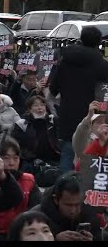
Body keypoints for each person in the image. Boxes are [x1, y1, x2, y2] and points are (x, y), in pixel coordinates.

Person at [49, 26, 108, 174]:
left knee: (68, 155)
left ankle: (64, 191)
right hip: (94, 117)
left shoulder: (64, 61)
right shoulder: (103, 65)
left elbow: (53, 88)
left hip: (67, 115)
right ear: (99, 43)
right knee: (93, 156)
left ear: (81, 40)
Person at [0, 137, 42, 239]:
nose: (11, 163)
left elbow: (37, 211)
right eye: (6, 158)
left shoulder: (28, 180)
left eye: (16, 158)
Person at [31, 171, 103, 241]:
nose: (73, 210)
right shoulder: (37, 218)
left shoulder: (91, 213)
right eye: (68, 205)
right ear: (56, 199)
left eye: (78, 204)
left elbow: (98, 236)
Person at [11, 96, 60, 171]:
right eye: (36, 105)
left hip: (54, 159)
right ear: (30, 109)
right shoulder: (22, 124)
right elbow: (15, 144)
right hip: (30, 161)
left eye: (42, 105)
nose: (39, 108)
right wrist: (27, 156)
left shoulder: (53, 121)